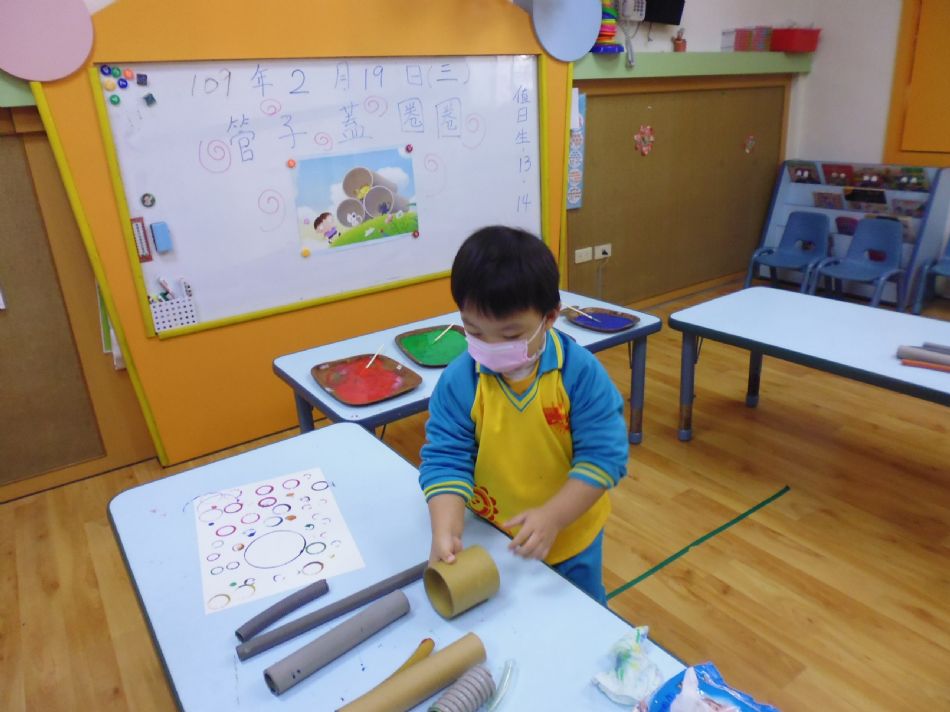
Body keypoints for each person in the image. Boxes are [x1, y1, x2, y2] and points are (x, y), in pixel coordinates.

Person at [419, 225, 628, 603]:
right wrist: (445, 528)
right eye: (473, 331)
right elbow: (446, 458)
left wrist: (554, 517)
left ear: (550, 317)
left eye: (510, 335)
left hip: (570, 534)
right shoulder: (461, 381)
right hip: (493, 536)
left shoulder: (578, 374)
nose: (490, 346)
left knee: (580, 612)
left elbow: (604, 457)